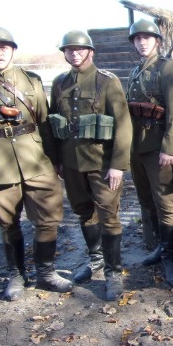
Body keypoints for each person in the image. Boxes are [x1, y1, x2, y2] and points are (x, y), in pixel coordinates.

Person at [0, 25, 73, 301]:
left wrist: (55, 161)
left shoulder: (30, 80)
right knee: (7, 223)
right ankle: (17, 275)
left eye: (3, 48)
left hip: (36, 161)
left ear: (13, 51)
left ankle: (46, 273)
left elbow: (44, 124)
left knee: (48, 218)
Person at [48, 30, 131, 301]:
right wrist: (58, 161)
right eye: (69, 50)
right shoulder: (60, 83)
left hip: (102, 162)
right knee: (84, 212)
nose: (74, 54)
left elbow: (123, 124)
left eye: (79, 49)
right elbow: (54, 122)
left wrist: (118, 164)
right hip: (72, 162)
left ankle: (113, 272)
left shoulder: (107, 82)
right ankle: (95, 260)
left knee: (109, 216)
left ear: (90, 52)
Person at [126, 19, 173, 287]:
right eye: (137, 38)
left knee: (165, 202)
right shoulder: (135, 71)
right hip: (138, 145)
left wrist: (169, 149)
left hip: (159, 146)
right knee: (147, 199)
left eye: (147, 38)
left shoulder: (168, 68)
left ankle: (171, 256)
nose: (142, 42)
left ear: (157, 41)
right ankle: (161, 248)